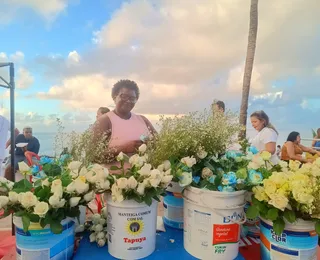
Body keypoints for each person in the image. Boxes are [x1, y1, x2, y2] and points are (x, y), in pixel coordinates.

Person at [93, 80, 156, 171]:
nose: (128, 100)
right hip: (115, 182)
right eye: (124, 96)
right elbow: (94, 156)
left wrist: (148, 144)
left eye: (132, 98)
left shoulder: (143, 120)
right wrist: (124, 148)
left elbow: (159, 145)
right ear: (114, 97)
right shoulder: (105, 121)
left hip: (145, 181)